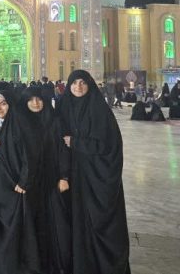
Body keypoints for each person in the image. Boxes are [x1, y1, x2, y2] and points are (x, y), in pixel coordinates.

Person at [58, 70, 130, 273]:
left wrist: (77, 143)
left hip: (95, 177)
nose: (78, 87)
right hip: (72, 177)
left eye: (82, 82)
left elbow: (110, 146)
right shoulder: (64, 107)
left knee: (97, 221)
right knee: (75, 223)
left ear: (89, 85)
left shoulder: (100, 111)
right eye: (74, 83)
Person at [0, 91, 40, 274]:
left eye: (3, 103)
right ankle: (0, 265)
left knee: (15, 228)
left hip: (15, 186)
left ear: (11, 105)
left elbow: (30, 155)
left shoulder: (20, 124)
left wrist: (23, 182)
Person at [21, 86, 72, 274]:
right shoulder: (22, 122)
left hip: (52, 178)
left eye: (39, 99)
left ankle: (57, 262)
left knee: (55, 221)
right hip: (32, 181)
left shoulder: (55, 122)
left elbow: (63, 151)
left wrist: (64, 176)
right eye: (31, 100)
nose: (35, 103)